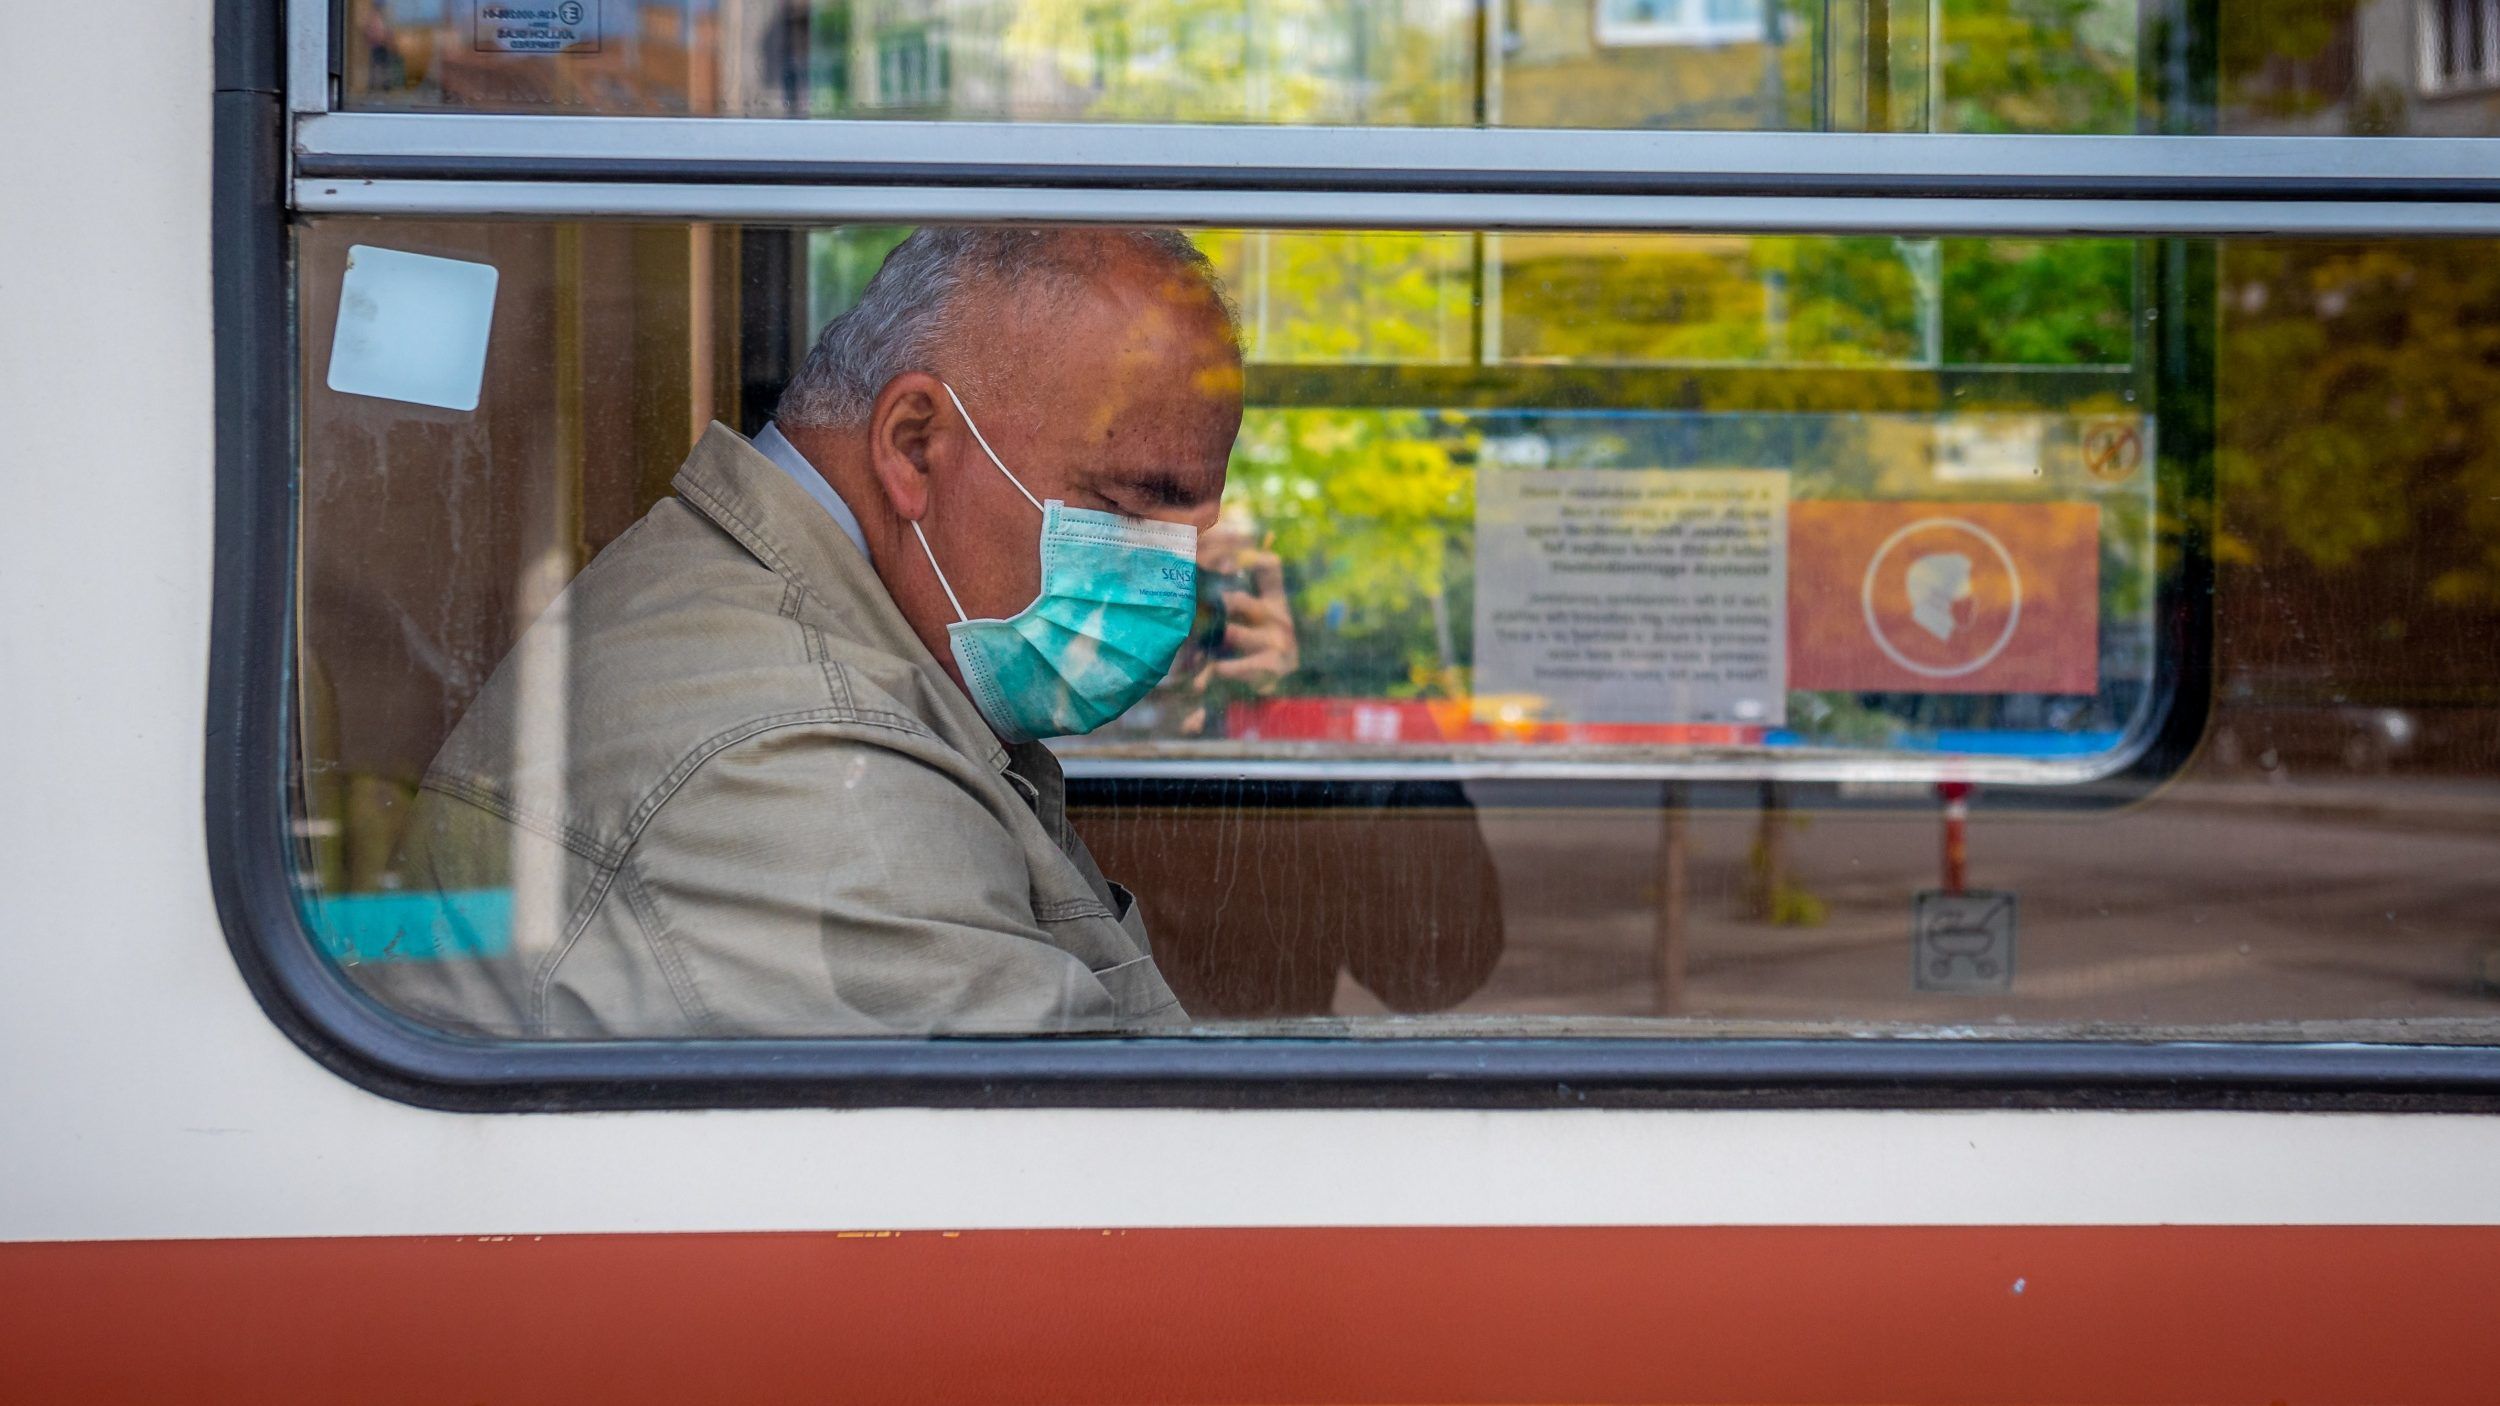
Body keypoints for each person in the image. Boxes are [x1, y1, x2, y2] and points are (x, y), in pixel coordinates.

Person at [351, 227, 1244, 1037]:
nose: (1173, 577)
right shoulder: (798, 764)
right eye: (1130, 506)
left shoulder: (805, 640)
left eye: (1190, 529)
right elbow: (1086, 1175)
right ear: (914, 444)